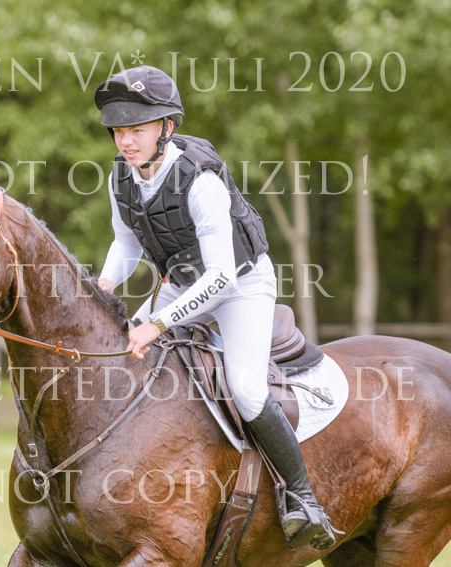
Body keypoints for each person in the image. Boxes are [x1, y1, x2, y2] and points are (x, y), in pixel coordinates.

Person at [93, 65, 336, 551]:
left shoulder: (199, 180)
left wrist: (157, 323)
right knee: (118, 359)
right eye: (118, 131)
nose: (125, 141)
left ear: (166, 127)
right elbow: (126, 246)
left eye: (136, 130)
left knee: (246, 389)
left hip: (240, 285)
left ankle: (303, 500)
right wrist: (101, 285)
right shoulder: (122, 176)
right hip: (184, 285)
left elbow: (221, 276)